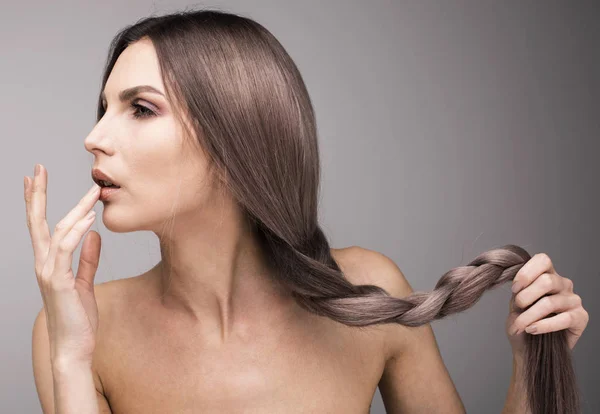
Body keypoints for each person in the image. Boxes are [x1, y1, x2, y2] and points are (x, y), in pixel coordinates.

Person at [25, 8, 588, 414]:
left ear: (235, 139)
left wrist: (533, 365)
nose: (93, 137)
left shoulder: (369, 289)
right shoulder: (76, 330)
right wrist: (72, 361)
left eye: (140, 109)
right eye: (104, 108)